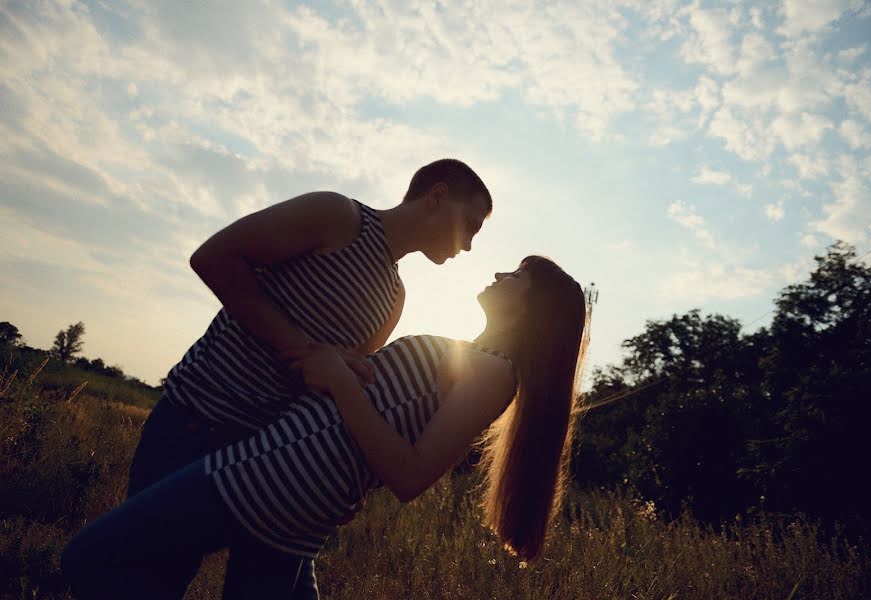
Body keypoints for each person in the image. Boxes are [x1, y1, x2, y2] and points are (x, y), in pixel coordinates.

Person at [62, 256, 589, 599]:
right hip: (289, 479)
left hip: (275, 480)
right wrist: (341, 369)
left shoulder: (495, 372)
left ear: (530, 310)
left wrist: (340, 379)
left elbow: (409, 475)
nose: (500, 274)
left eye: (517, 276)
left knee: (90, 554)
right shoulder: (476, 355)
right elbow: (377, 412)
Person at [126, 158, 492, 597]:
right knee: (144, 585)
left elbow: (326, 386)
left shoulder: (394, 299)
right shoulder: (338, 217)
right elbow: (213, 258)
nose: (468, 245)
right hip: (194, 425)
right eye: (470, 225)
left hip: (264, 468)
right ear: (437, 196)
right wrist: (299, 345)